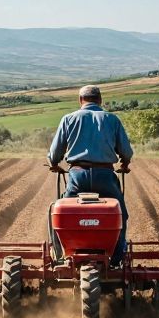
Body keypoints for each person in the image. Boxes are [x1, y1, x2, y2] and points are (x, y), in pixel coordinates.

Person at [47, 84, 134, 267]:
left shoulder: (68, 119)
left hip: (78, 175)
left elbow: (55, 153)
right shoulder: (112, 119)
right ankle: (116, 259)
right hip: (106, 175)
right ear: (100, 100)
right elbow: (126, 151)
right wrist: (124, 163)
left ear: (80, 100)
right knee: (120, 214)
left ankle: (63, 256)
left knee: (61, 214)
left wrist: (54, 164)